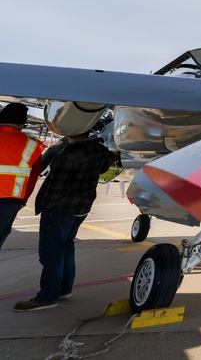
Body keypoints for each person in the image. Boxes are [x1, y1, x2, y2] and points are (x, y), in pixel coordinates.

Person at [13, 130, 112, 312]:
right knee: (66, 246)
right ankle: (64, 288)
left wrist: (45, 207)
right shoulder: (100, 150)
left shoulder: (68, 155)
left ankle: (47, 297)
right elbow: (104, 169)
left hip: (60, 209)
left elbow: (55, 187)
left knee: (51, 253)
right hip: (81, 207)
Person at [0, 102, 45, 249]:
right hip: (9, 202)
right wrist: (22, 201)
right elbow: (32, 179)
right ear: (20, 124)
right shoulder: (32, 145)